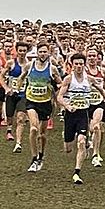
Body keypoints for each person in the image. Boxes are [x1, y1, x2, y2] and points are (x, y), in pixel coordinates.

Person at [56, 53, 105, 184]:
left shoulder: (89, 79)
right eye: (76, 64)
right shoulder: (68, 79)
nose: (79, 66)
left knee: (81, 141)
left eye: (81, 64)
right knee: (68, 148)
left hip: (83, 114)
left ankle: (77, 172)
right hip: (70, 115)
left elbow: (102, 90)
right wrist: (67, 106)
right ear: (72, 65)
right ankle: (68, 136)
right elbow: (59, 97)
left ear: (84, 65)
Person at [16, 42, 63, 172]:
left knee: (42, 134)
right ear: (37, 53)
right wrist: (18, 89)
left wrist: (57, 92)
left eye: (45, 52)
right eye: (40, 52)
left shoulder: (52, 69)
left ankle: (41, 155)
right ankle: (34, 158)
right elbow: (21, 77)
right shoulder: (29, 66)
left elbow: (60, 83)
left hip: (46, 103)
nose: (42, 54)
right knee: (33, 128)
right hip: (31, 101)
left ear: (49, 53)